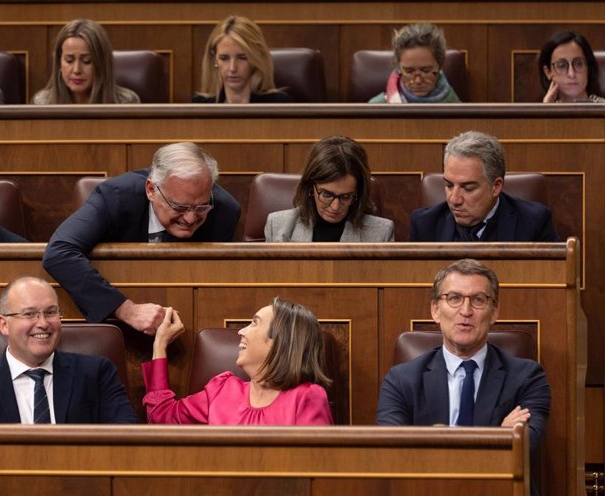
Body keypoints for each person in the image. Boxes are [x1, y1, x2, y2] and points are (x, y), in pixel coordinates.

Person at [376, 259, 550, 496]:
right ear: (435, 310)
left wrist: (438, 440)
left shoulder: (527, 377)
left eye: (478, 300)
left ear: (494, 312)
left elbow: (523, 449)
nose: (466, 311)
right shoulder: (401, 380)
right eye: (454, 298)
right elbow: (391, 453)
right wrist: (499, 435)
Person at [43, 142, 241, 333]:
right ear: (151, 190)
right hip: (117, 328)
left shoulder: (224, 211)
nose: (190, 218)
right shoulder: (115, 197)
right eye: (179, 207)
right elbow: (59, 252)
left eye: (201, 207)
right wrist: (126, 310)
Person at [0, 276, 136, 423]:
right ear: (4, 325)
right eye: (30, 314)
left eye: (51, 312)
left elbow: (126, 442)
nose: (43, 323)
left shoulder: (96, 374)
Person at [142, 298, 333, 425]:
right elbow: (161, 417)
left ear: (280, 341)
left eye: (255, 323)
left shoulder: (307, 397)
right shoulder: (222, 389)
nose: (241, 331)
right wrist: (160, 344)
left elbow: (315, 471)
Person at [409, 131, 559, 241]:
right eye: (448, 185)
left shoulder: (533, 222)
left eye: (468, 188)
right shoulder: (424, 224)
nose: (454, 200)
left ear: (496, 186)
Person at [264, 135, 395, 242]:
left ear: (358, 194)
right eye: (327, 195)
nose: (335, 207)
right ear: (311, 187)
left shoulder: (381, 233)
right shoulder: (278, 226)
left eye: (346, 197)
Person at [32, 18, 139, 104]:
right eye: (69, 60)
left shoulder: (126, 103)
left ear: (101, 63)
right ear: (59, 63)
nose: (77, 70)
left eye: (86, 61)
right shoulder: (42, 103)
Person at [193, 15, 292, 104]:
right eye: (224, 58)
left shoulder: (278, 104)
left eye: (242, 58)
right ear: (215, 60)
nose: (232, 68)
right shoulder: (201, 105)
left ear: (256, 58)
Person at [369, 23, 460, 104]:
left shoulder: (458, 108)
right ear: (399, 68)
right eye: (409, 71)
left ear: (440, 66)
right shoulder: (376, 107)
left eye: (426, 71)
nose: (418, 81)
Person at [539, 30, 605, 103]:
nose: (571, 74)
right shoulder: (540, 111)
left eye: (579, 64)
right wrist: (546, 110)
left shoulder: (602, 107)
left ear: (588, 68)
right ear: (548, 72)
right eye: (562, 66)